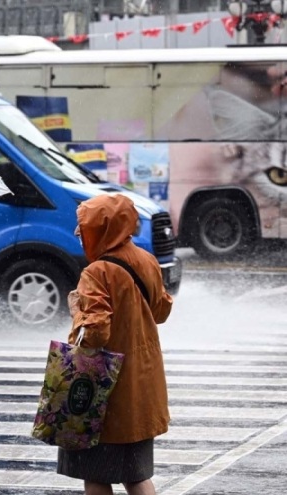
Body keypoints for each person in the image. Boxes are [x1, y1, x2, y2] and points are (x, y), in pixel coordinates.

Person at [58, 194, 173, 495]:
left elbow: (95, 334)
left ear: (101, 229)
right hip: (142, 385)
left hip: (106, 392)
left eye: (84, 228)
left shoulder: (96, 273)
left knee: (96, 475)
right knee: (135, 475)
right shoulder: (146, 260)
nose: (80, 234)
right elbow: (160, 311)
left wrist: (77, 309)